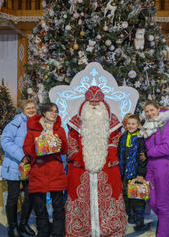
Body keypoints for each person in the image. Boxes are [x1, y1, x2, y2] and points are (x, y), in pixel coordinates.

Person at [65, 86, 127, 237]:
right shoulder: (76, 120)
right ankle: (82, 228)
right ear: (85, 103)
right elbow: (72, 139)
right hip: (81, 166)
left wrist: (112, 152)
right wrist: (75, 156)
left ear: (103, 103)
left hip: (106, 164)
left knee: (110, 195)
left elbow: (116, 137)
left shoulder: (111, 120)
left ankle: (108, 228)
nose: (93, 104)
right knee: (80, 197)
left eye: (96, 101)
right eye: (91, 101)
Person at [23, 102, 67, 237]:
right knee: (39, 208)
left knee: (58, 208)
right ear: (43, 113)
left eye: (56, 111)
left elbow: (65, 149)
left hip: (56, 171)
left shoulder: (59, 130)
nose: (54, 114)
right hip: (39, 171)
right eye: (50, 111)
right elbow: (26, 148)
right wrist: (38, 148)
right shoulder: (33, 130)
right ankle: (43, 232)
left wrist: (60, 145)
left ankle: (58, 232)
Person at [139, 100, 169, 237]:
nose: (149, 113)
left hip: (164, 166)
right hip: (151, 166)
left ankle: (163, 233)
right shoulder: (148, 126)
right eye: (147, 111)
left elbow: (167, 147)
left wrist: (149, 153)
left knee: (163, 205)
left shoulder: (167, 125)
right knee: (149, 198)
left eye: (152, 110)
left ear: (158, 110)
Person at [1, 100, 37, 237]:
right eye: (28, 108)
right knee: (13, 196)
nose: (31, 110)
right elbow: (5, 141)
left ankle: (23, 223)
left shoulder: (36, 124)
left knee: (30, 196)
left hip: (30, 166)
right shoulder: (15, 124)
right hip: (14, 165)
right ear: (22, 110)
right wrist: (21, 156)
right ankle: (13, 227)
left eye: (33, 107)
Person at [118, 114, 150, 232]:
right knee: (126, 194)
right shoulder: (123, 137)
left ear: (138, 125)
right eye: (129, 124)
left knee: (137, 196)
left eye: (133, 124)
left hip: (136, 173)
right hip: (125, 172)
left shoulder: (141, 139)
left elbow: (142, 159)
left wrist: (140, 174)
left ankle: (139, 220)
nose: (130, 126)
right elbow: (120, 155)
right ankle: (130, 216)